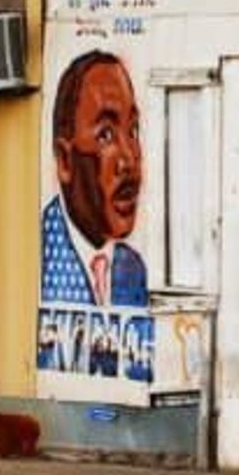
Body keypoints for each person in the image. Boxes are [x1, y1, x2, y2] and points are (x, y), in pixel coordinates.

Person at [39, 50, 148, 311]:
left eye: (133, 130)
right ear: (65, 160)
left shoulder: (131, 268)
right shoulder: (38, 257)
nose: (129, 161)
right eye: (106, 136)